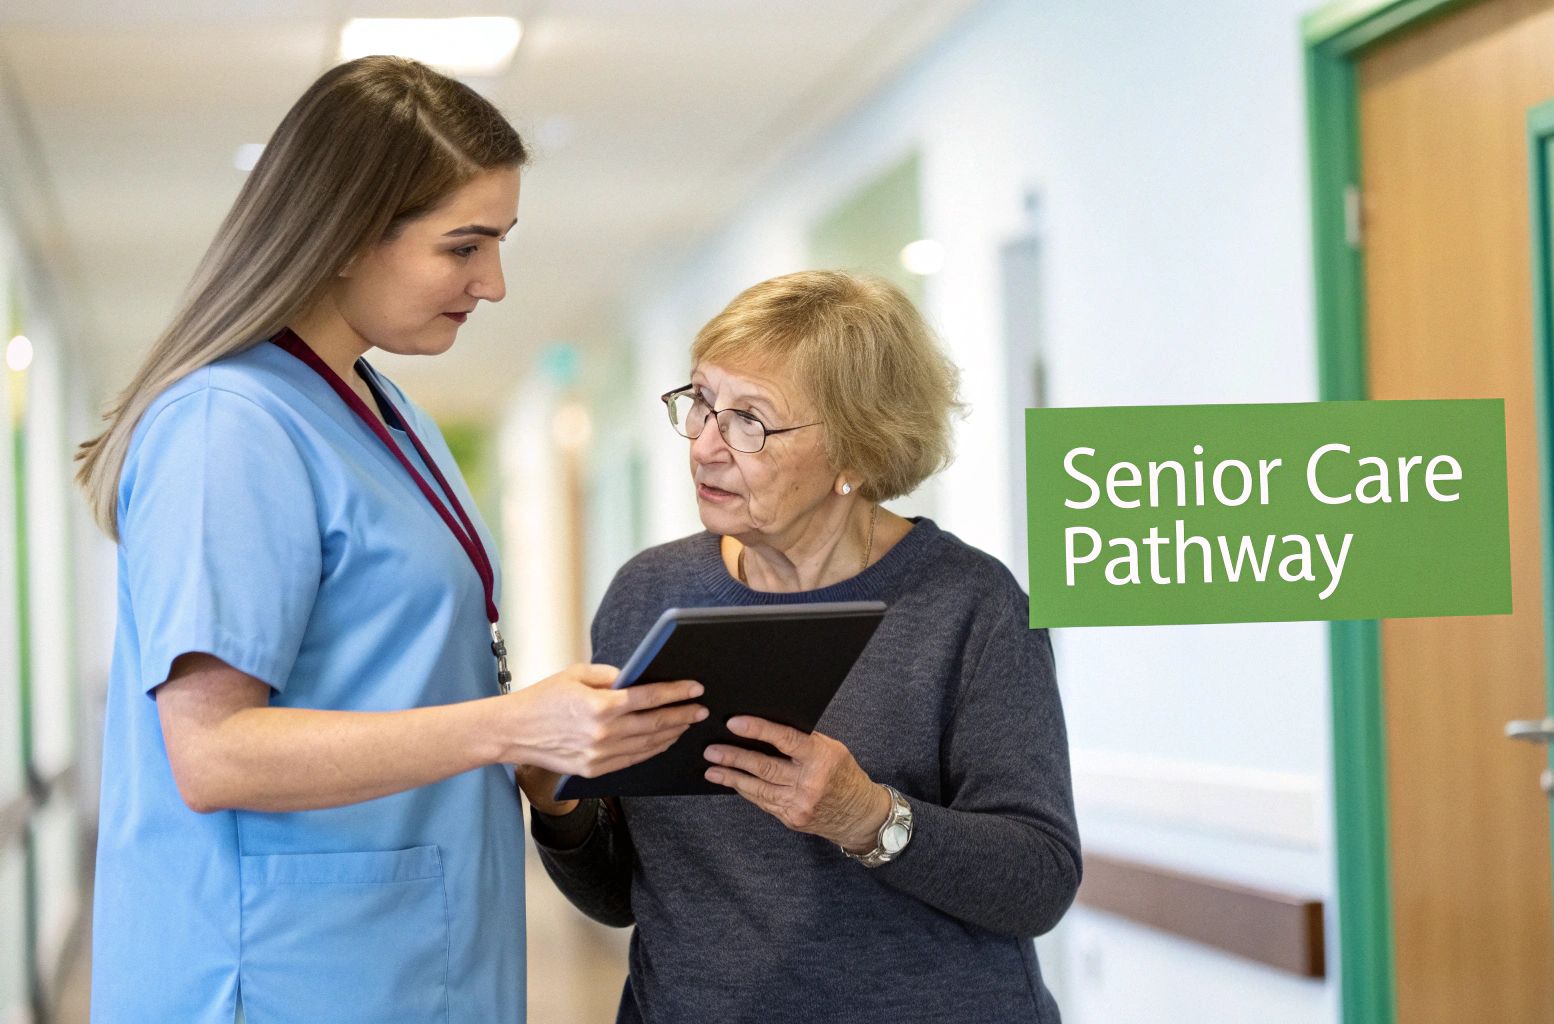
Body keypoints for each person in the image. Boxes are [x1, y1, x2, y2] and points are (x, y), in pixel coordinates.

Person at [75, 56, 704, 1024]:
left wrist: (547, 741)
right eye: (464, 245)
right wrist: (509, 723)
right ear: (340, 235)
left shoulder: (381, 409)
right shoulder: (229, 423)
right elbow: (214, 755)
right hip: (281, 971)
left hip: (405, 950)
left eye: (500, 241)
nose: (492, 282)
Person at [519, 270, 1081, 1023]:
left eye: (750, 421)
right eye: (702, 403)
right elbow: (622, 897)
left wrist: (869, 818)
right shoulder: (647, 594)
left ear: (855, 452)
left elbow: (1038, 880)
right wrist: (557, 802)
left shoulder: (968, 604)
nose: (706, 447)